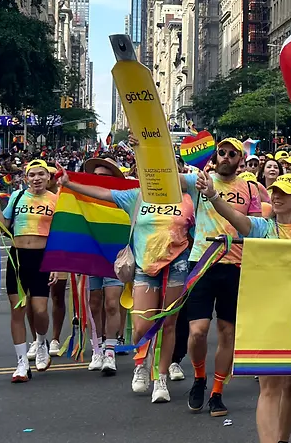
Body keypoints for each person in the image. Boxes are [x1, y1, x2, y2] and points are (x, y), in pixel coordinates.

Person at [195, 171, 291, 443]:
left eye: (283, 193)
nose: (275, 197)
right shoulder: (263, 227)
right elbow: (235, 217)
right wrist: (212, 195)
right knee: (270, 386)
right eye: (274, 191)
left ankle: (283, 439)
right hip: (267, 315)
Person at [60, 165, 196, 403]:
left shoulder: (189, 196)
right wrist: (69, 183)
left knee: (169, 324)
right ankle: (141, 365)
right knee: (142, 324)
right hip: (145, 268)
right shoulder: (137, 195)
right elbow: (102, 193)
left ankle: (160, 377)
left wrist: (166, 168)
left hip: (178, 266)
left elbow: (201, 180)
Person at [181, 138, 263, 416]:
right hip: (202, 263)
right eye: (222, 152)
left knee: (227, 332)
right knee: (198, 331)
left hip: (235, 266)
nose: (226, 157)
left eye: (232, 154)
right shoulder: (199, 180)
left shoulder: (250, 188)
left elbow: (255, 229)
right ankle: (199, 377)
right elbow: (166, 178)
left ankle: (217, 392)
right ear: (216, 155)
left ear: (240, 159)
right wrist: (144, 149)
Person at [0, 160, 58, 382]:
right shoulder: (18, 197)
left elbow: (60, 235)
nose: (36, 178)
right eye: (32, 175)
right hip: (17, 258)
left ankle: (41, 341)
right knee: (17, 309)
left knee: (39, 310)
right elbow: (4, 225)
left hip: (42, 258)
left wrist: (56, 264)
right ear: (26, 178)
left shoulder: (55, 200)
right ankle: (21, 363)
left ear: (48, 178)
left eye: (41, 174)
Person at [82, 157, 129, 376]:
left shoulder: (123, 199)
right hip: (93, 256)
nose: (101, 179)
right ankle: (97, 349)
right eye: (97, 176)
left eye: (106, 176)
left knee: (112, 304)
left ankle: (110, 351)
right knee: (94, 303)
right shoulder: (84, 199)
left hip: (116, 258)